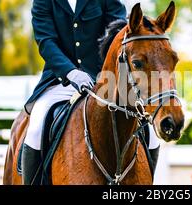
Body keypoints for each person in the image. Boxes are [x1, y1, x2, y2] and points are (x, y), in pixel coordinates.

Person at [22, 0, 160, 184]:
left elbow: (118, 34)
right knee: (36, 125)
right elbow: (46, 42)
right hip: (60, 80)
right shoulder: (43, 2)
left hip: (104, 79)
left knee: (150, 133)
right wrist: (70, 72)